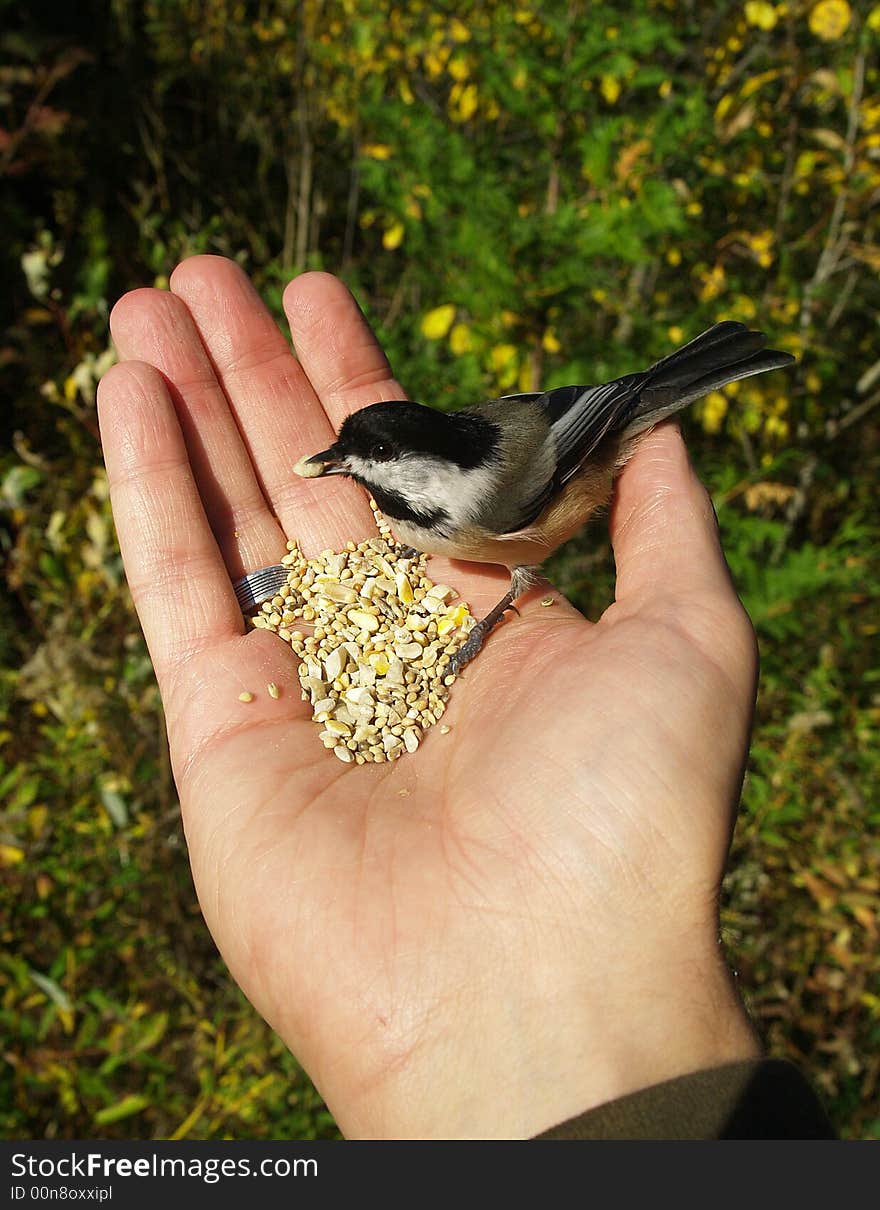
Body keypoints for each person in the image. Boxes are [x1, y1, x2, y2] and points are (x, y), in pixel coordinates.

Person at [97, 256, 833, 1139]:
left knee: (531, 540)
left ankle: (704, 366)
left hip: (580, 437)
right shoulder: (410, 512)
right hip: (546, 426)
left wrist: (493, 611)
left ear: (423, 464)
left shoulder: (486, 497)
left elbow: (569, 430)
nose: (347, 468)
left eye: (369, 458)